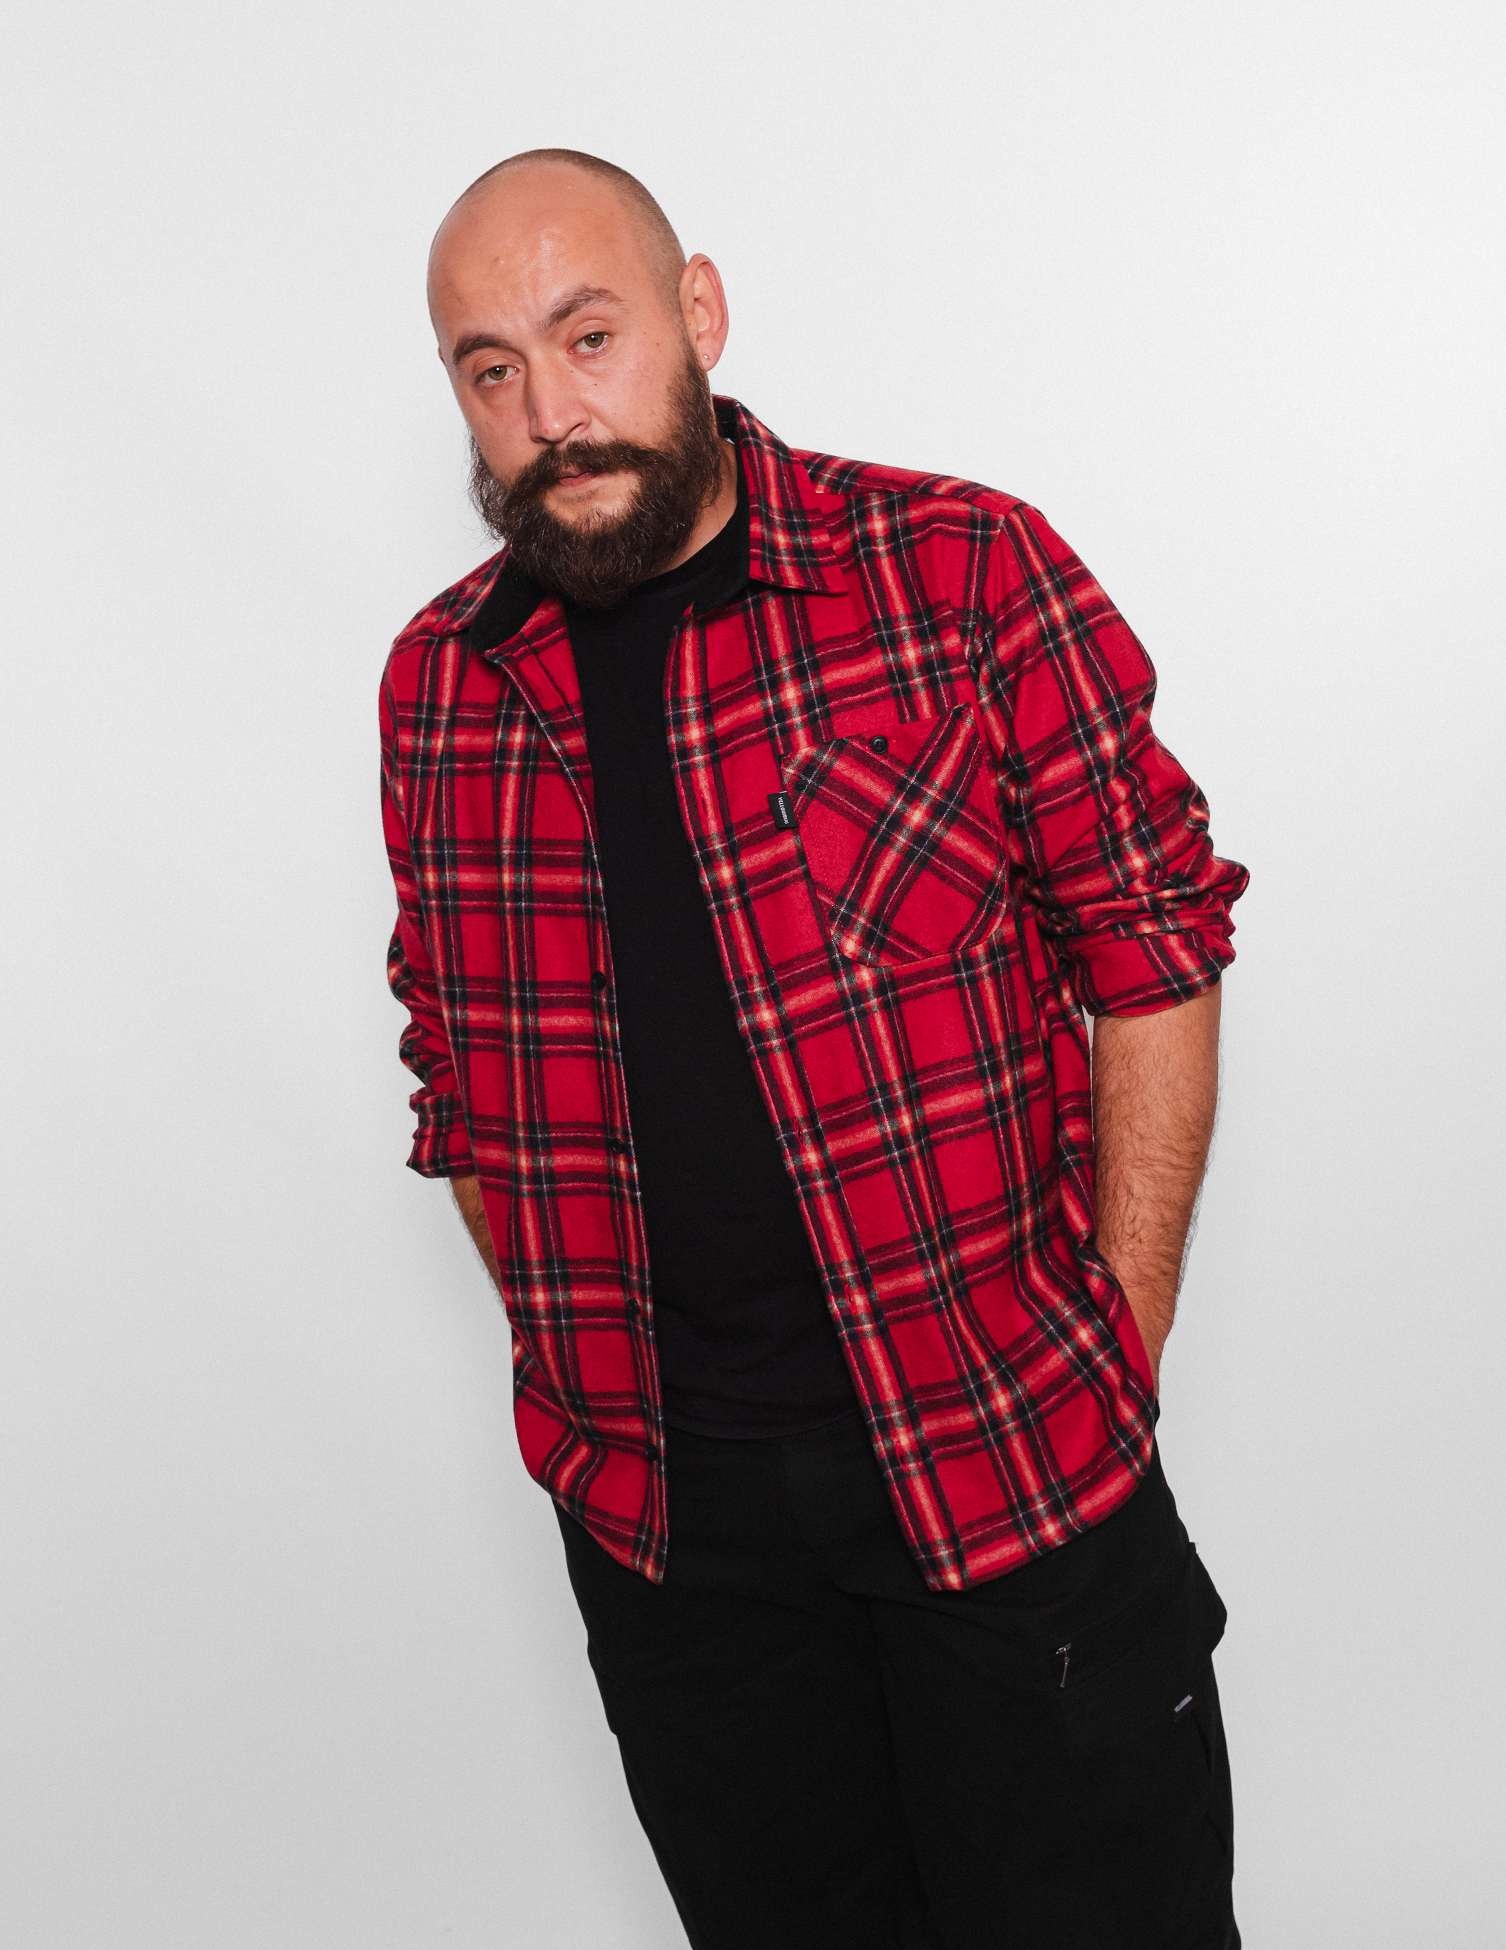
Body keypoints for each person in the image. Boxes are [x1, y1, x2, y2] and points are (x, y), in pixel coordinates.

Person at [381, 147, 1249, 1950]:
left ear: (696, 311)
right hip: (673, 1534)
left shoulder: (961, 573)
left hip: (1005, 1461)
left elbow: (1152, 939)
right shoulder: (440, 686)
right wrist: (575, 1360)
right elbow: (459, 1075)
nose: (552, 412)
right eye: (491, 367)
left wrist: (1121, 1332)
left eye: (590, 336)